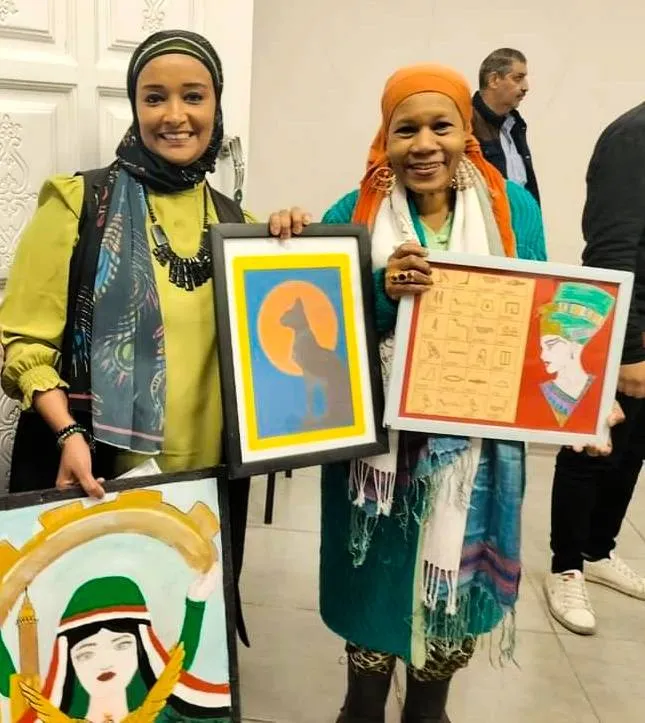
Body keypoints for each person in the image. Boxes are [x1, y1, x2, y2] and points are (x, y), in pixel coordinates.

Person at [312, 64, 615, 723]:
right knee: (372, 619)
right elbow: (319, 328)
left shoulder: (513, 209)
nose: (424, 144)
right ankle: (360, 707)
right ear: (385, 137)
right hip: (380, 463)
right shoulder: (352, 213)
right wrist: (380, 291)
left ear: (465, 131)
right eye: (406, 129)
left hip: (475, 460)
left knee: (445, 628)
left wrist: (586, 398)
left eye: (440, 126)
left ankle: (429, 710)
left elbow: (538, 318)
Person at [0, 29, 308, 645]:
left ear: (216, 104)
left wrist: (294, 250)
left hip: (208, 485)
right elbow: (23, 346)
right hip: (97, 472)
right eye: (154, 97)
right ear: (135, 105)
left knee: (186, 641)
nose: (174, 115)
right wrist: (66, 434)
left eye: (193, 96)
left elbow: (282, 349)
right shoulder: (79, 203)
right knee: (95, 643)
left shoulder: (240, 227)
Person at [544, 101, 645, 636]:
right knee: (591, 445)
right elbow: (612, 250)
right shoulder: (634, 136)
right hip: (626, 328)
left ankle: (598, 551)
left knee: (632, 450)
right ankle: (566, 566)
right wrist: (627, 350)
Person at [1, 574, 230, 723]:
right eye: (86, 653)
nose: (104, 662)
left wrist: (195, 603)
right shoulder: (58, 712)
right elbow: (12, 685)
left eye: (121, 645)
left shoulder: (159, 707)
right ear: (69, 662)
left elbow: (177, 664)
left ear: (142, 650)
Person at [471, 48, 540, 204]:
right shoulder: (467, 123)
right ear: (494, 80)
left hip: (521, 217)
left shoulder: (515, 125)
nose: (525, 87)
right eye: (518, 78)